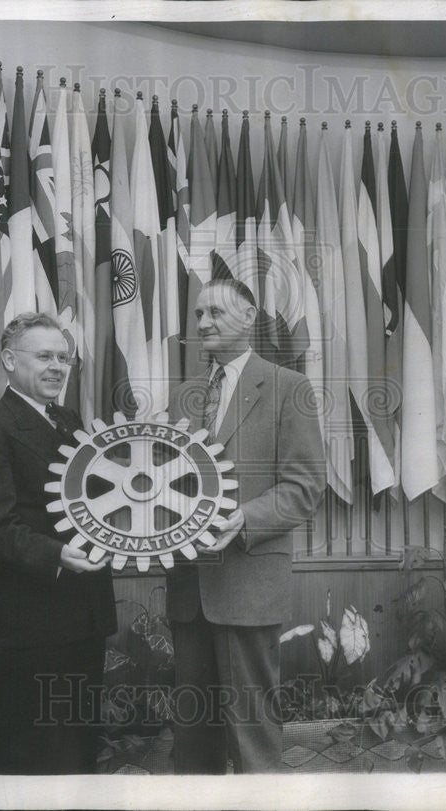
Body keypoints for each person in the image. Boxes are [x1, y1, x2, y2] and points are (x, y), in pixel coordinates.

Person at [165, 279, 326, 773]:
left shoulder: (288, 387)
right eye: (198, 314)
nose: (203, 323)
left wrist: (244, 518)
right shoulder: (184, 396)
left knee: (253, 737)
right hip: (189, 586)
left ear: (250, 316)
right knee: (192, 740)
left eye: (215, 312)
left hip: (249, 582)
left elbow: (305, 487)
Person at [0, 312, 116, 774]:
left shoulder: (71, 422)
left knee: (80, 746)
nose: (56, 367)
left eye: (63, 357)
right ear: (9, 360)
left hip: (87, 612)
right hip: (31, 620)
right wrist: (56, 556)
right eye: (43, 356)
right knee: (28, 750)